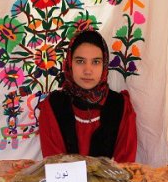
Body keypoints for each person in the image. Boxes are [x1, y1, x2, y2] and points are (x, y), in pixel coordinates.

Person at [38, 29, 137, 162]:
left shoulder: (120, 106)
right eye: (80, 61)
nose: (88, 70)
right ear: (70, 64)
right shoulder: (53, 105)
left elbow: (125, 166)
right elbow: (54, 165)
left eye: (96, 62)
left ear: (105, 65)